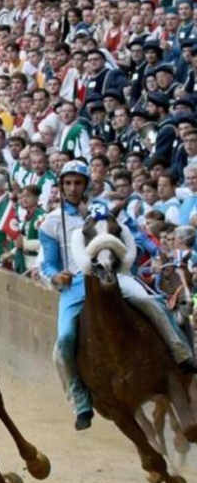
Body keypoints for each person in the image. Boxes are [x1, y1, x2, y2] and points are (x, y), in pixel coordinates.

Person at [40, 161, 197, 432]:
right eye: (68, 183)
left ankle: (181, 352)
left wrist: (156, 252)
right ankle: (80, 399)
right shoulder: (51, 222)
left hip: (116, 276)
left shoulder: (102, 212)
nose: (73, 188)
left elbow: (133, 236)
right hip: (77, 286)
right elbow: (47, 263)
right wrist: (56, 276)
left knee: (151, 302)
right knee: (64, 339)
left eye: (78, 183)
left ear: (86, 185)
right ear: (61, 186)